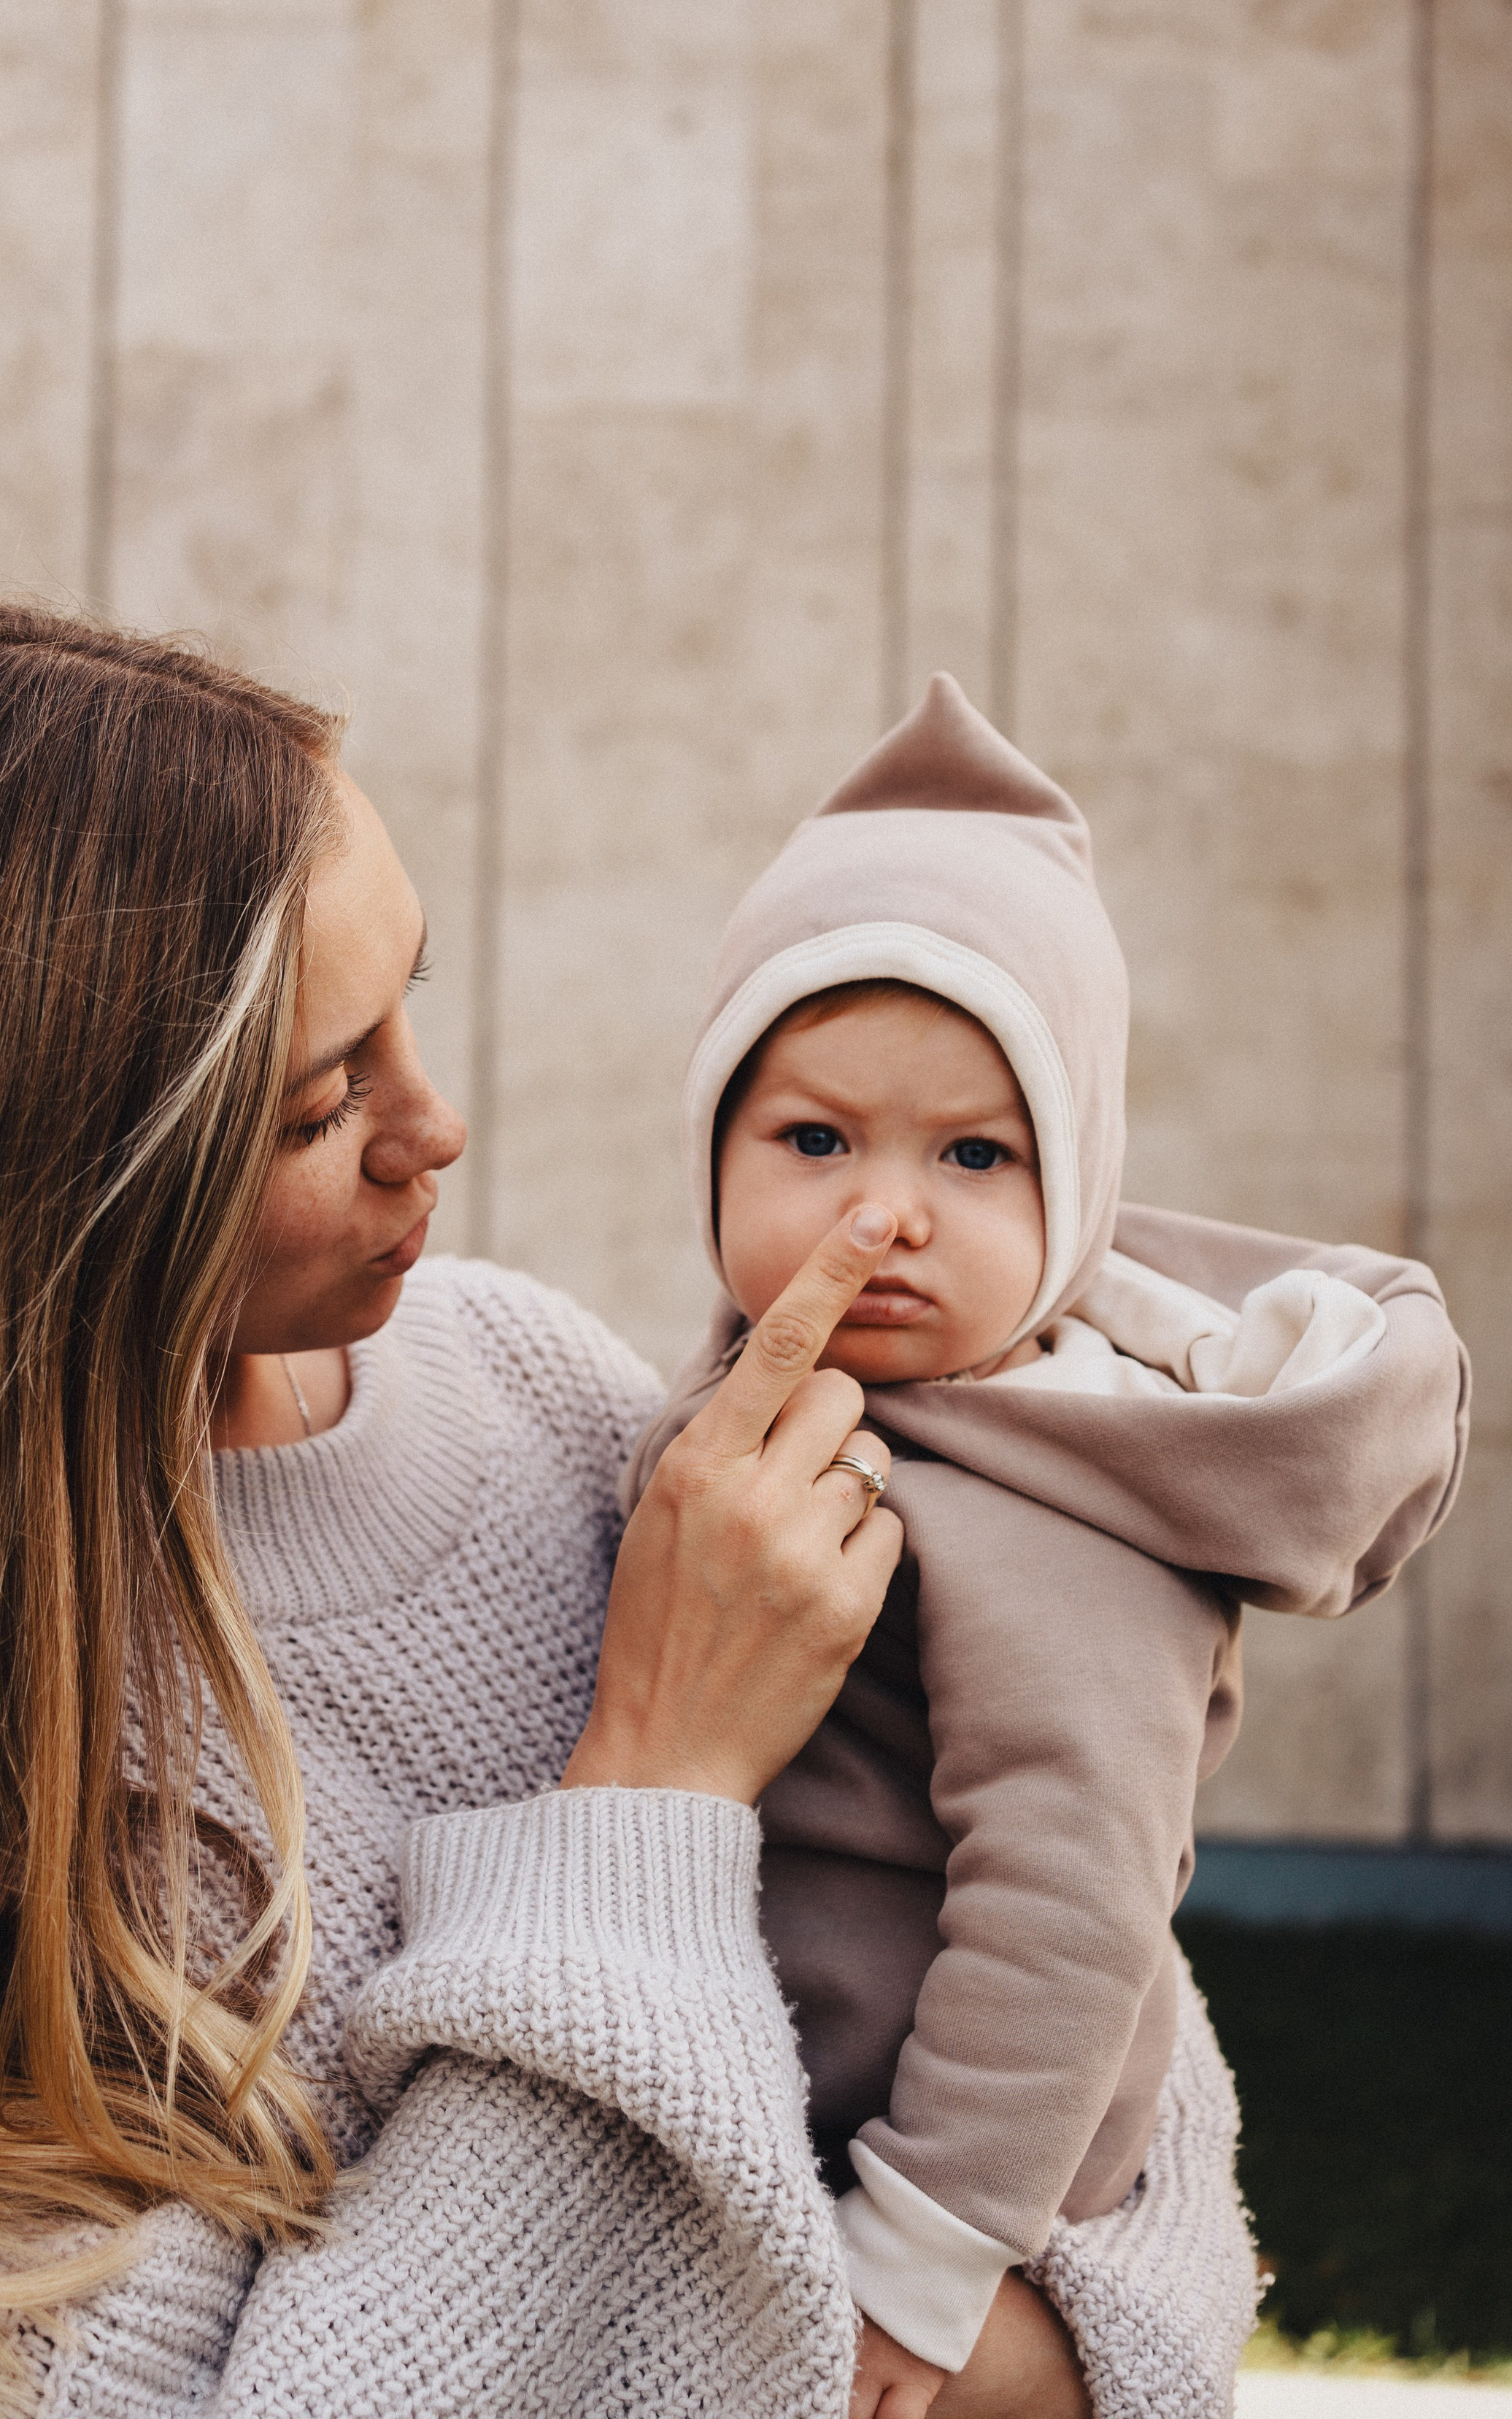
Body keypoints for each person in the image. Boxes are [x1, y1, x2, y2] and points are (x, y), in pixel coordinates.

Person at [0, 608, 1406, 2419]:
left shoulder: (542, 1397)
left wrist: (986, 2331)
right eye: (328, 1102)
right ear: (53, 1198)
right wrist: (649, 1784)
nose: (439, 1124)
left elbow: (1116, 2031)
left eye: (415, 999)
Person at [623, 674, 1468, 2418]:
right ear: (709, 1153)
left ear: (1071, 1204)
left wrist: (920, 2258)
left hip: (915, 2167)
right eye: (811, 1137)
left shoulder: (1053, 1506)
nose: (884, 1210)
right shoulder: (782, 1395)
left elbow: (1071, 1901)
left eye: (975, 1153)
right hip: (753, 2075)